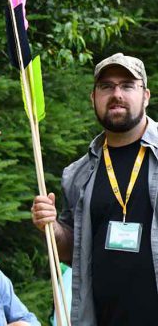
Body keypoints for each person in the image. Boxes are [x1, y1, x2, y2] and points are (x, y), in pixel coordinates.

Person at [31, 53, 158, 325]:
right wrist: (50, 228)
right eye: (106, 86)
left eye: (127, 85)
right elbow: (70, 251)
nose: (116, 94)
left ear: (145, 95)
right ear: (93, 98)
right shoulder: (77, 174)